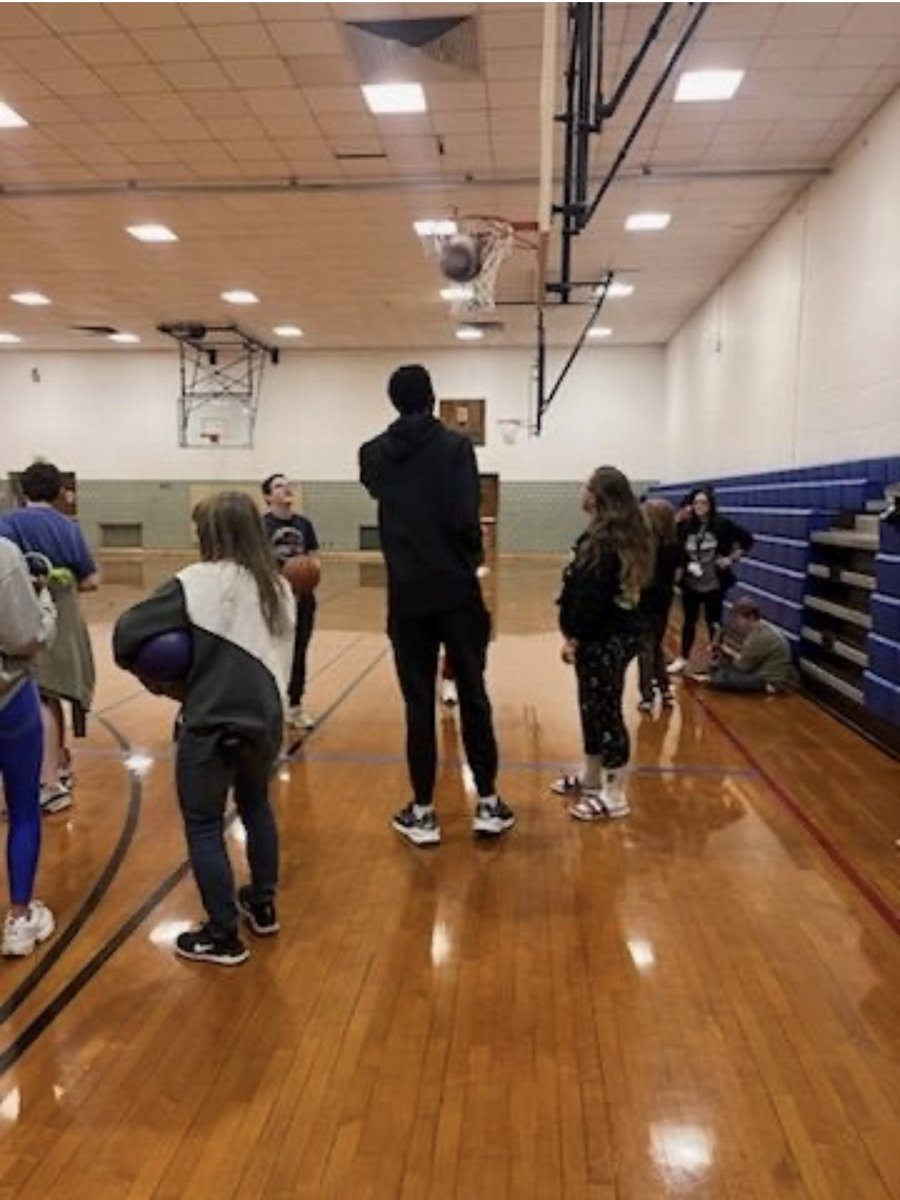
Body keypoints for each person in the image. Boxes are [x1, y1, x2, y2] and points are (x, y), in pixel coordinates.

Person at [113, 492, 295, 966]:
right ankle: (263, 903)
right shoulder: (280, 586)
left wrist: (165, 680)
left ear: (209, 535)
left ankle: (222, 934)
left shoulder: (193, 582)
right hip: (267, 720)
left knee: (203, 823)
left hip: (211, 720)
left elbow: (126, 633)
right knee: (256, 806)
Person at [359, 363, 514, 846]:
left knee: (418, 704)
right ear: (432, 398)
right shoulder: (456, 448)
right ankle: (487, 803)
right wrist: (468, 561)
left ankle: (423, 812)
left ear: (393, 400)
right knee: (472, 694)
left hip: (407, 596)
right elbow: (466, 518)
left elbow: (382, 488)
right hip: (455, 590)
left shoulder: (372, 455)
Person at [553, 466, 654, 821]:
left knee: (606, 710)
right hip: (609, 634)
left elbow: (592, 596)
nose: (582, 493)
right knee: (591, 707)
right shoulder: (611, 534)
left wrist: (576, 637)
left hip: (604, 637)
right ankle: (592, 777)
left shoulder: (606, 541)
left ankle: (615, 794)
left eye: (587, 488)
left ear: (599, 496)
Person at [0, 462, 98, 814]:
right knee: (49, 697)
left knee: (26, 697)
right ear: (59, 491)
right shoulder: (67, 527)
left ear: (22, 491)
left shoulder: (7, 523)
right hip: (58, 618)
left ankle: (38, 779)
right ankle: (52, 777)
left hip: (13, 617)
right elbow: (91, 580)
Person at [0, 538, 57, 956]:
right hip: (9, 695)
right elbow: (26, 636)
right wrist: (47, 606)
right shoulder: (3, 554)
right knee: (23, 807)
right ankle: (19, 920)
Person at [667, 485, 753, 675]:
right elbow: (675, 547)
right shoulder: (685, 527)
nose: (699, 506)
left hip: (714, 582)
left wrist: (730, 559)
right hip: (691, 583)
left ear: (711, 504)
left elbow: (748, 540)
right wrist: (685, 565)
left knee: (713, 621)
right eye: (696, 502)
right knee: (689, 620)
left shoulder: (722, 524)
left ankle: (715, 656)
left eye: (704, 502)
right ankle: (683, 657)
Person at [261, 474, 320, 731]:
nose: (286, 488)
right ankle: (270, 706)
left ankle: (295, 707)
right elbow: (255, 562)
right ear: (267, 497)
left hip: (303, 598)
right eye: (278, 486)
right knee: (270, 653)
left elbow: (314, 555)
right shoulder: (260, 526)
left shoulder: (304, 524)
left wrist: (308, 571)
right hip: (273, 598)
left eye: (287, 484)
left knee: (299, 653)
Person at [637, 498, 681, 713]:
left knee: (645, 648)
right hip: (664, 601)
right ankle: (665, 690)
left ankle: (646, 695)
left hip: (646, 601)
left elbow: (642, 578)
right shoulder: (673, 546)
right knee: (655, 646)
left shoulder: (647, 547)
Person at [706, 598, 796, 692]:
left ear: (751, 617)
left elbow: (742, 667)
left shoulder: (758, 637)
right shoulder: (761, 630)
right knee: (723, 670)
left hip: (769, 679)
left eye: (738, 619)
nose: (736, 623)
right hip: (768, 672)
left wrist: (726, 655)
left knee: (720, 678)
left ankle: (768, 687)